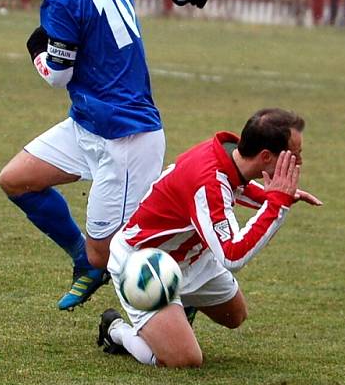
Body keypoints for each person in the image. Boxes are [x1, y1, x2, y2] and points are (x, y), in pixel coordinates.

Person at [0, 0, 208, 311]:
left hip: (125, 137)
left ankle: (191, 283)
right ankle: (84, 263)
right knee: (16, 179)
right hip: (87, 124)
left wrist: (37, 52)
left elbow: (57, 76)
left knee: (110, 251)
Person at [96, 108, 323, 367]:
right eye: (295, 155)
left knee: (234, 315)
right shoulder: (208, 181)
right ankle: (117, 331)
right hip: (144, 264)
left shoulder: (227, 157)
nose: (300, 162)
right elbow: (231, 255)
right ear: (266, 156)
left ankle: (177, 310)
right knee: (185, 360)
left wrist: (270, 195)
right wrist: (276, 205)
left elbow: (232, 186)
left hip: (189, 258)